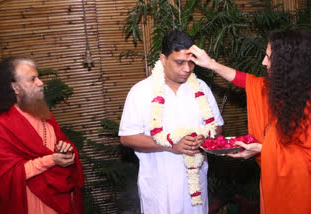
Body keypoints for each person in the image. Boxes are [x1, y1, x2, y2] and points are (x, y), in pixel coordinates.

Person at [187, 29, 311, 214]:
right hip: (273, 183)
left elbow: (305, 158)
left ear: (289, 62)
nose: (263, 62)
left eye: (269, 57)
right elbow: (247, 82)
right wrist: (211, 64)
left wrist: (263, 150)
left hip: (299, 191)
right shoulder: (284, 88)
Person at [119, 31, 224, 214]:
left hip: (195, 186)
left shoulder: (201, 88)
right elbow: (127, 138)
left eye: (191, 62)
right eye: (179, 62)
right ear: (163, 59)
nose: (187, 69)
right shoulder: (141, 91)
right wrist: (170, 146)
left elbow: (217, 127)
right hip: (159, 188)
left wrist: (204, 138)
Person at [0, 57, 85, 214]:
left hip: (62, 196)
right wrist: (51, 159)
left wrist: (66, 151)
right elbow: (6, 176)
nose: (41, 83)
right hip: (30, 201)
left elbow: (62, 143)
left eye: (39, 77)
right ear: (16, 87)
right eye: (32, 79)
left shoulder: (45, 114)